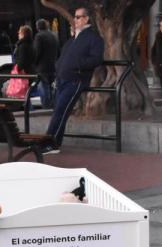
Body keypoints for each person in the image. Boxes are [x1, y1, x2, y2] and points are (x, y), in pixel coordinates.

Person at [40, 7, 104, 155]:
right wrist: (59, 66)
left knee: (60, 111)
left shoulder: (94, 38)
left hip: (76, 80)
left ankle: (49, 144)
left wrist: (78, 65)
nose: (74, 20)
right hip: (63, 79)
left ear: (87, 19)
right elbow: (62, 57)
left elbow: (96, 59)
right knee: (59, 111)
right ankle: (53, 143)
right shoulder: (73, 39)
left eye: (78, 17)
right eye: (75, 17)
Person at [33, 19, 59, 108]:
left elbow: (37, 52)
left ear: (37, 27)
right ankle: (54, 105)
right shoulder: (54, 35)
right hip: (53, 66)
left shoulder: (39, 36)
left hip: (42, 67)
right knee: (53, 87)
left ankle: (47, 107)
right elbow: (58, 51)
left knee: (44, 88)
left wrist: (34, 64)